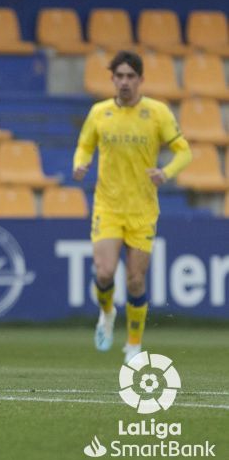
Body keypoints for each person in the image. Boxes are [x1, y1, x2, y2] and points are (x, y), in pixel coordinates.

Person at [73, 51, 191, 364]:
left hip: (142, 210)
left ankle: (133, 346)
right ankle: (107, 313)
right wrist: (80, 163)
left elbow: (184, 151)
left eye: (130, 76)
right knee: (105, 271)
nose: (125, 82)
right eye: (119, 76)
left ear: (140, 80)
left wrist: (166, 172)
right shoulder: (99, 113)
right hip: (108, 206)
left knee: (136, 280)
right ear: (112, 79)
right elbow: (84, 144)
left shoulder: (157, 113)